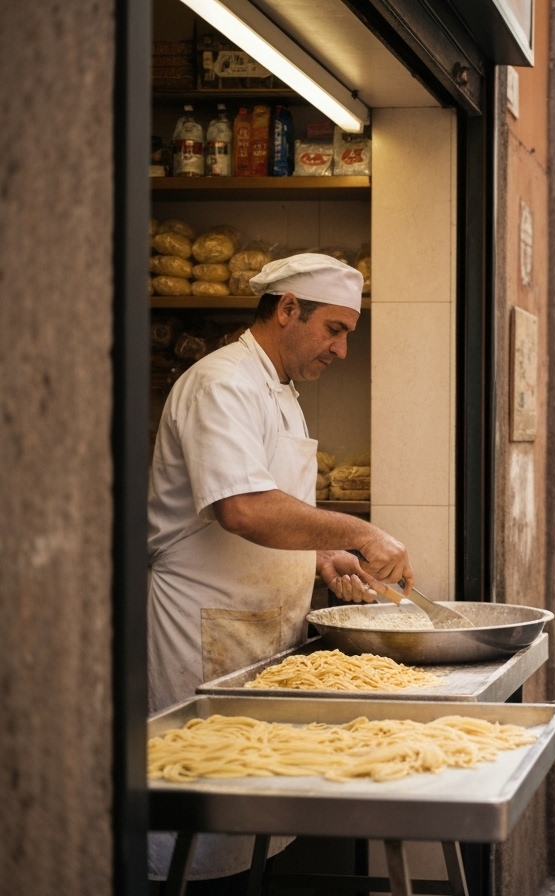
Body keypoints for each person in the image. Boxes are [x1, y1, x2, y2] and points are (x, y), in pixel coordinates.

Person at [146, 254, 414, 887]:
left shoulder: (283, 393)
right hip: (201, 632)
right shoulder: (222, 384)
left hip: (260, 635)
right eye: (334, 329)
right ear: (288, 309)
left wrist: (320, 556)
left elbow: (273, 510)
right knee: (200, 817)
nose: (342, 350)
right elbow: (242, 509)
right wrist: (361, 533)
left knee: (252, 814)